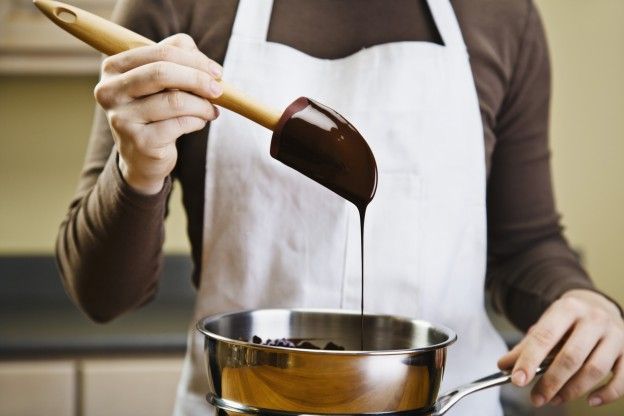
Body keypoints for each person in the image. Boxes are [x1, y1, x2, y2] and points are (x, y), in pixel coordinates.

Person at [56, 0, 624, 415]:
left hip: (448, 404)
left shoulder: (500, 16)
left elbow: (525, 246)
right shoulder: (175, 8)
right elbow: (102, 297)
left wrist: (582, 302)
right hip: (244, 406)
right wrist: (138, 169)